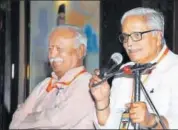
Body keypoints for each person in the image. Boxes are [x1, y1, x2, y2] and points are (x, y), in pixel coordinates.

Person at [90, 7, 178, 129]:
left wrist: (150, 120)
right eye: (125, 37)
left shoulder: (175, 68)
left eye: (137, 35)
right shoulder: (125, 71)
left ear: (158, 37)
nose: (129, 43)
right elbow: (110, 126)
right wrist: (102, 101)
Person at [9, 25, 95, 129]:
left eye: (59, 49)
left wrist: (27, 119)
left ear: (80, 51)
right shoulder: (45, 84)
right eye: (50, 49)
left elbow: (57, 121)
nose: (52, 55)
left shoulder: (87, 84)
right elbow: (16, 120)